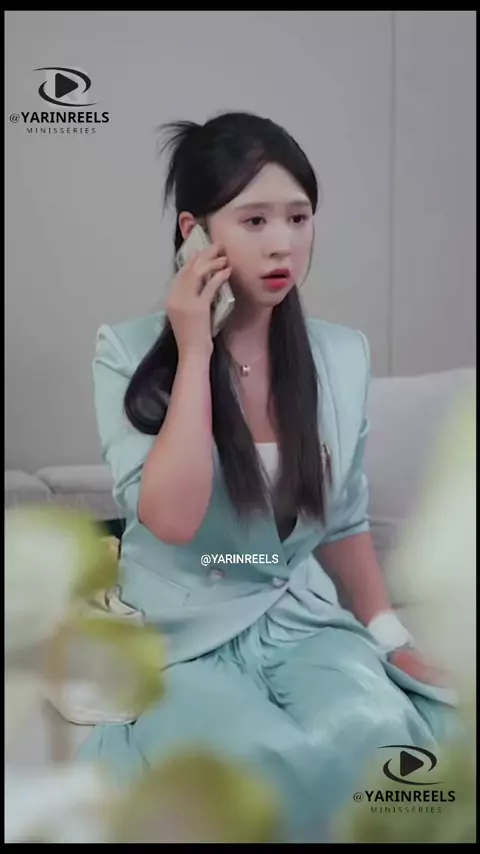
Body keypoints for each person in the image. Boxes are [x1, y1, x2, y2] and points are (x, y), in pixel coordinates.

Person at [78, 112, 457, 842]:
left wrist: (388, 636)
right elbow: (173, 521)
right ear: (194, 233)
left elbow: (342, 519)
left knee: (377, 732)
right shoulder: (125, 353)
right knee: (258, 759)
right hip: (182, 634)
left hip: (301, 619)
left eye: (299, 217)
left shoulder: (341, 355)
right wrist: (195, 348)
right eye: (254, 220)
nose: (283, 243)